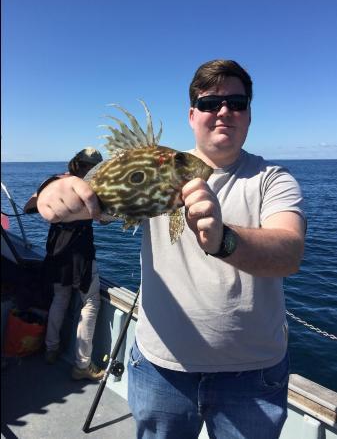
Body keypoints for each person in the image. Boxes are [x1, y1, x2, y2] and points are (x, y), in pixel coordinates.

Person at [34, 60, 306, 438]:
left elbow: (289, 252)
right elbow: (94, 196)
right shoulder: (160, 166)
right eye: (211, 104)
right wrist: (53, 190)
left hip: (253, 377)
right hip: (161, 369)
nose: (224, 111)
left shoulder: (273, 180)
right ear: (193, 115)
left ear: (249, 114)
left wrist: (223, 239)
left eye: (237, 102)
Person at [24, 147, 106, 381]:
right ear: (91, 168)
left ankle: (51, 349)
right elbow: (101, 217)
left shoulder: (51, 181)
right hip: (80, 253)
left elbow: (29, 208)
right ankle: (82, 364)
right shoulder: (87, 187)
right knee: (90, 303)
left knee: (60, 298)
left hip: (55, 250)